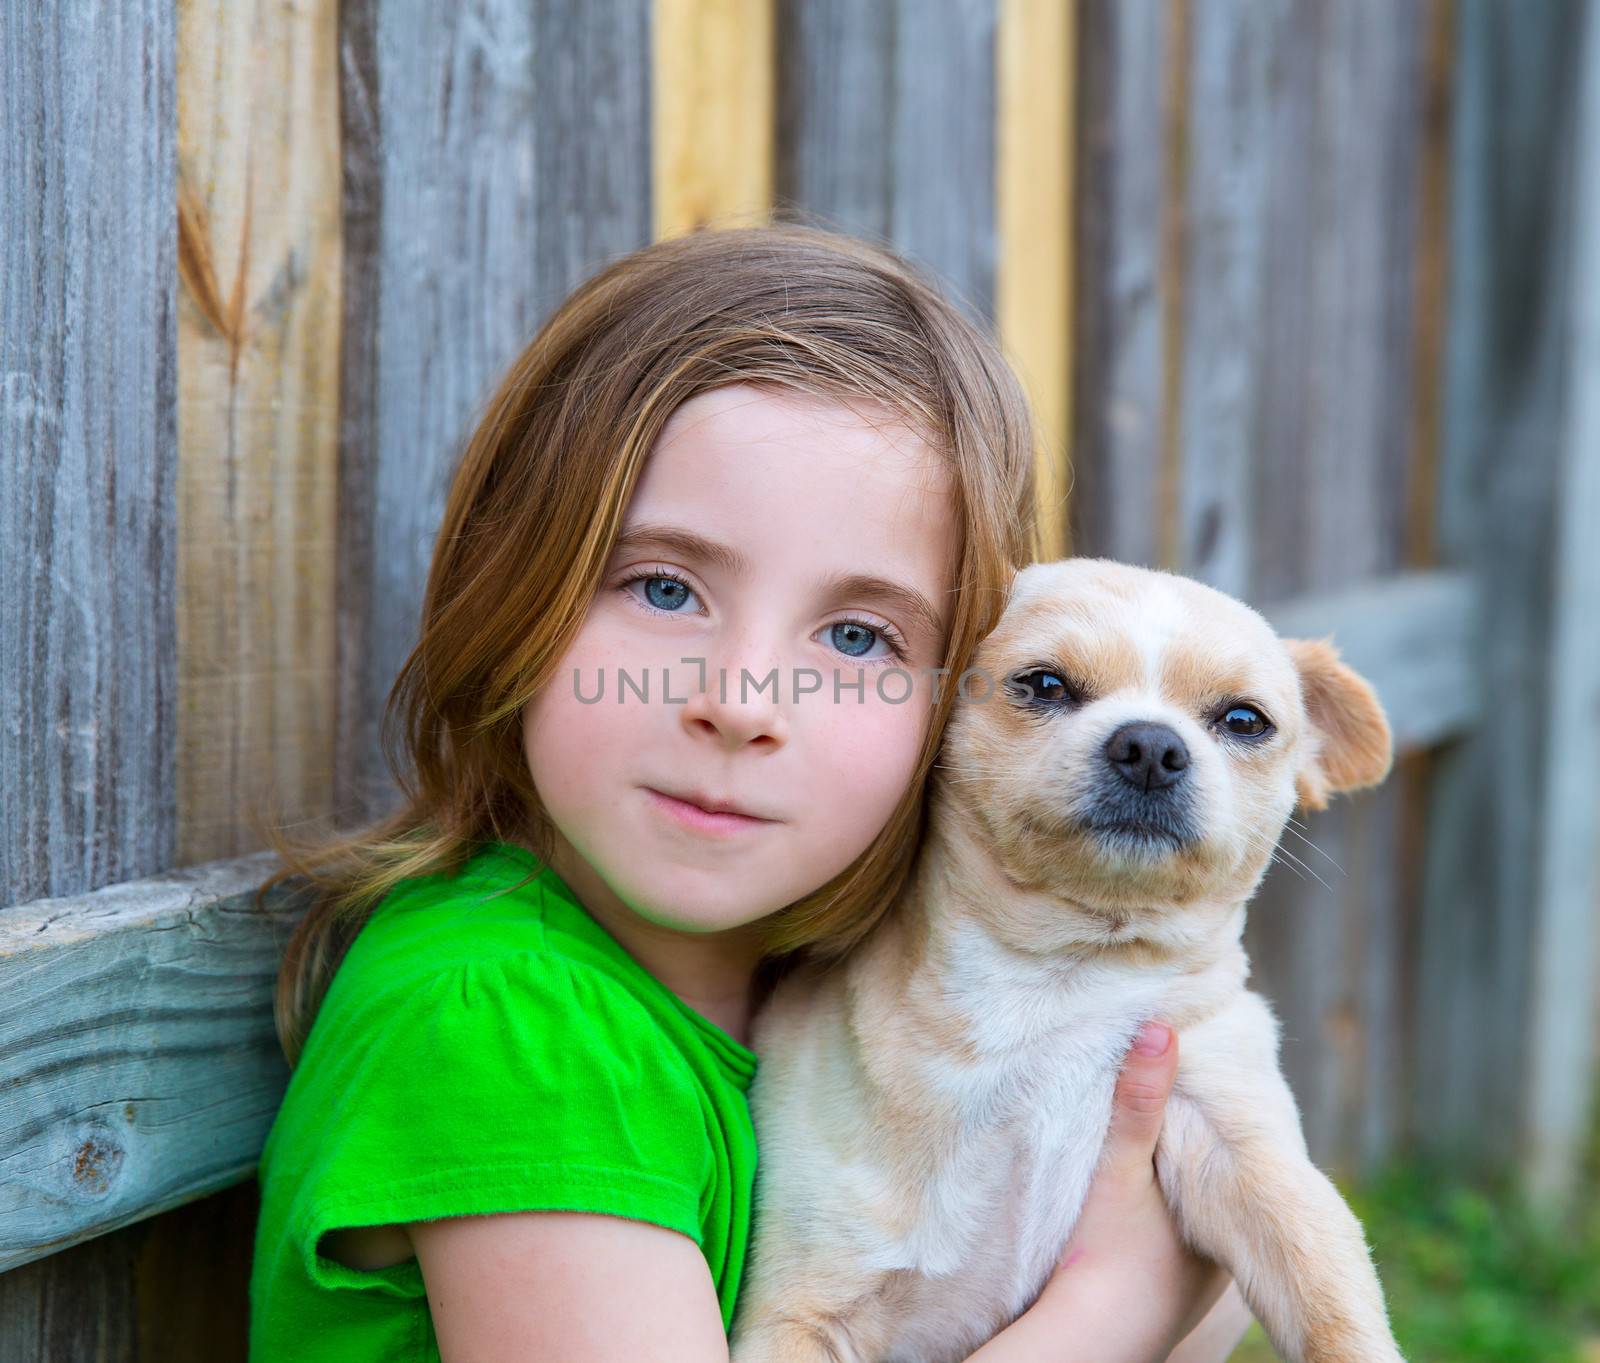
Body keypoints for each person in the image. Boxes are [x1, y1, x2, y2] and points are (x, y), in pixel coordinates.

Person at [247, 222, 1255, 1362]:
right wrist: (1112, 1308)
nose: (741, 698)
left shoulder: (834, 998)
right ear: (516, 574)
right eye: (665, 587)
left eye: (859, 634)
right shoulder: (514, 1028)